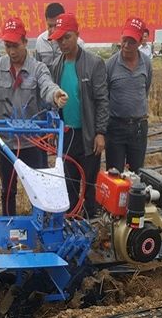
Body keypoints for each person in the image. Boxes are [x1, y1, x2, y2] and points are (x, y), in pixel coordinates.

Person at [0, 17, 68, 216]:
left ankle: (41, 222)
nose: (11, 51)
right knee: (8, 189)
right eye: (7, 46)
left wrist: (55, 95)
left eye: (15, 46)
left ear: (25, 42)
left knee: (39, 188)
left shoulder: (38, 68)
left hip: (33, 142)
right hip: (7, 142)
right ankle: (9, 224)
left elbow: (47, 85)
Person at [48, 13, 109, 218]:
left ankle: (91, 221)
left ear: (77, 35)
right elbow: (53, 100)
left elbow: (102, 100)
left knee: (89, 183)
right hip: (66, 135)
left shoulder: (94, 63)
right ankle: (72, 221)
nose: (63, 43)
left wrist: (100, 132)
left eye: (67, 37)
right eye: (59, 39)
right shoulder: (56, 65)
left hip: (88, 135)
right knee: (69, 182)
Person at [105, 16, 152, 173]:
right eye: (124, 40)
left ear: (140, 42)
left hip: (139, 128)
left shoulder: (146, 63)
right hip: (115, 128)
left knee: (137, 175)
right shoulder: (110, 65)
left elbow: (146, 89)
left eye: (131, 42)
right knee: (114, 175)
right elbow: (104, 97)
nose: (125, 45)